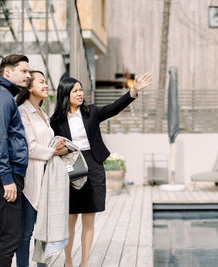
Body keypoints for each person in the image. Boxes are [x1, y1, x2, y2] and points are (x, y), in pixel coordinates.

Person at [50, 73, 152, 267]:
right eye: (75, 91)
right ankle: (68, 261)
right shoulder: (55, 121)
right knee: (70, 220)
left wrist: (134, 91)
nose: (80, 94)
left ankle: (84, 262)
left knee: (89, 218)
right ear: (65, 94)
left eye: (81, 90)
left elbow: (114, 108)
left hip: (94, 165)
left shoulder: (92, 112)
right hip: (70, 167)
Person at [0, 54, 31, 267]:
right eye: (24, 71)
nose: (28, 76)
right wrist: (7, 177)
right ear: (7, 72)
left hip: (3, 173)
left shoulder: (3, 95)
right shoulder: (2, 97)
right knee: (11, 237)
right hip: (5, 174)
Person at [15, 70, 68, 267]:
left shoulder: (43, 113)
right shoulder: (22, 112)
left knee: (44, 231)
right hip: (32, 180)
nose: (46, 85)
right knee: (26, 233)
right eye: (42, 82)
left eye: (46, 82)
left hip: (48, 179)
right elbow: (29, 148)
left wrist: (58, 144)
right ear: (29, 87)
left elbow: (45, 143)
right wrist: (55, 152)